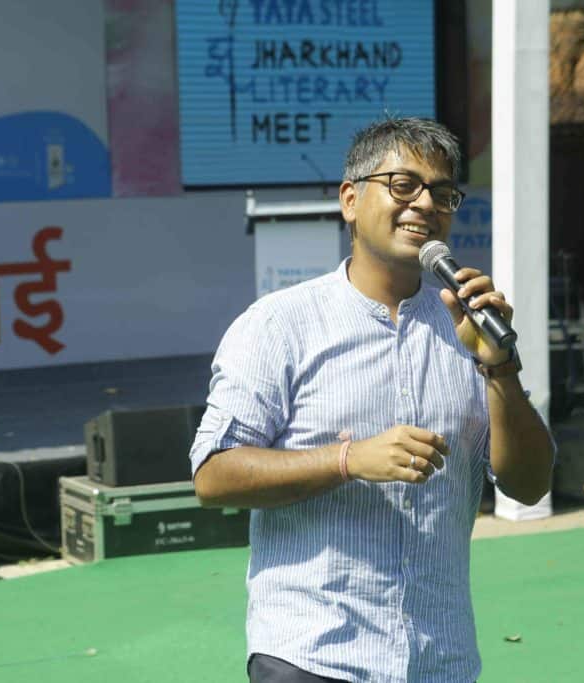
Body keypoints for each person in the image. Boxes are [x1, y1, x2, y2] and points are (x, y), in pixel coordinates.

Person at [189, 116, 556, 683]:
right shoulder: (278, 325)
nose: (425, 204)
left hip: (441, 660)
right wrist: (347, 459)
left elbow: (529, 485)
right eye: (404, 185)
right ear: (350, 200)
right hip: (312, 655)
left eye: (442, 192)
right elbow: (214, 474)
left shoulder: (469, 326)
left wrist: (500, 368)